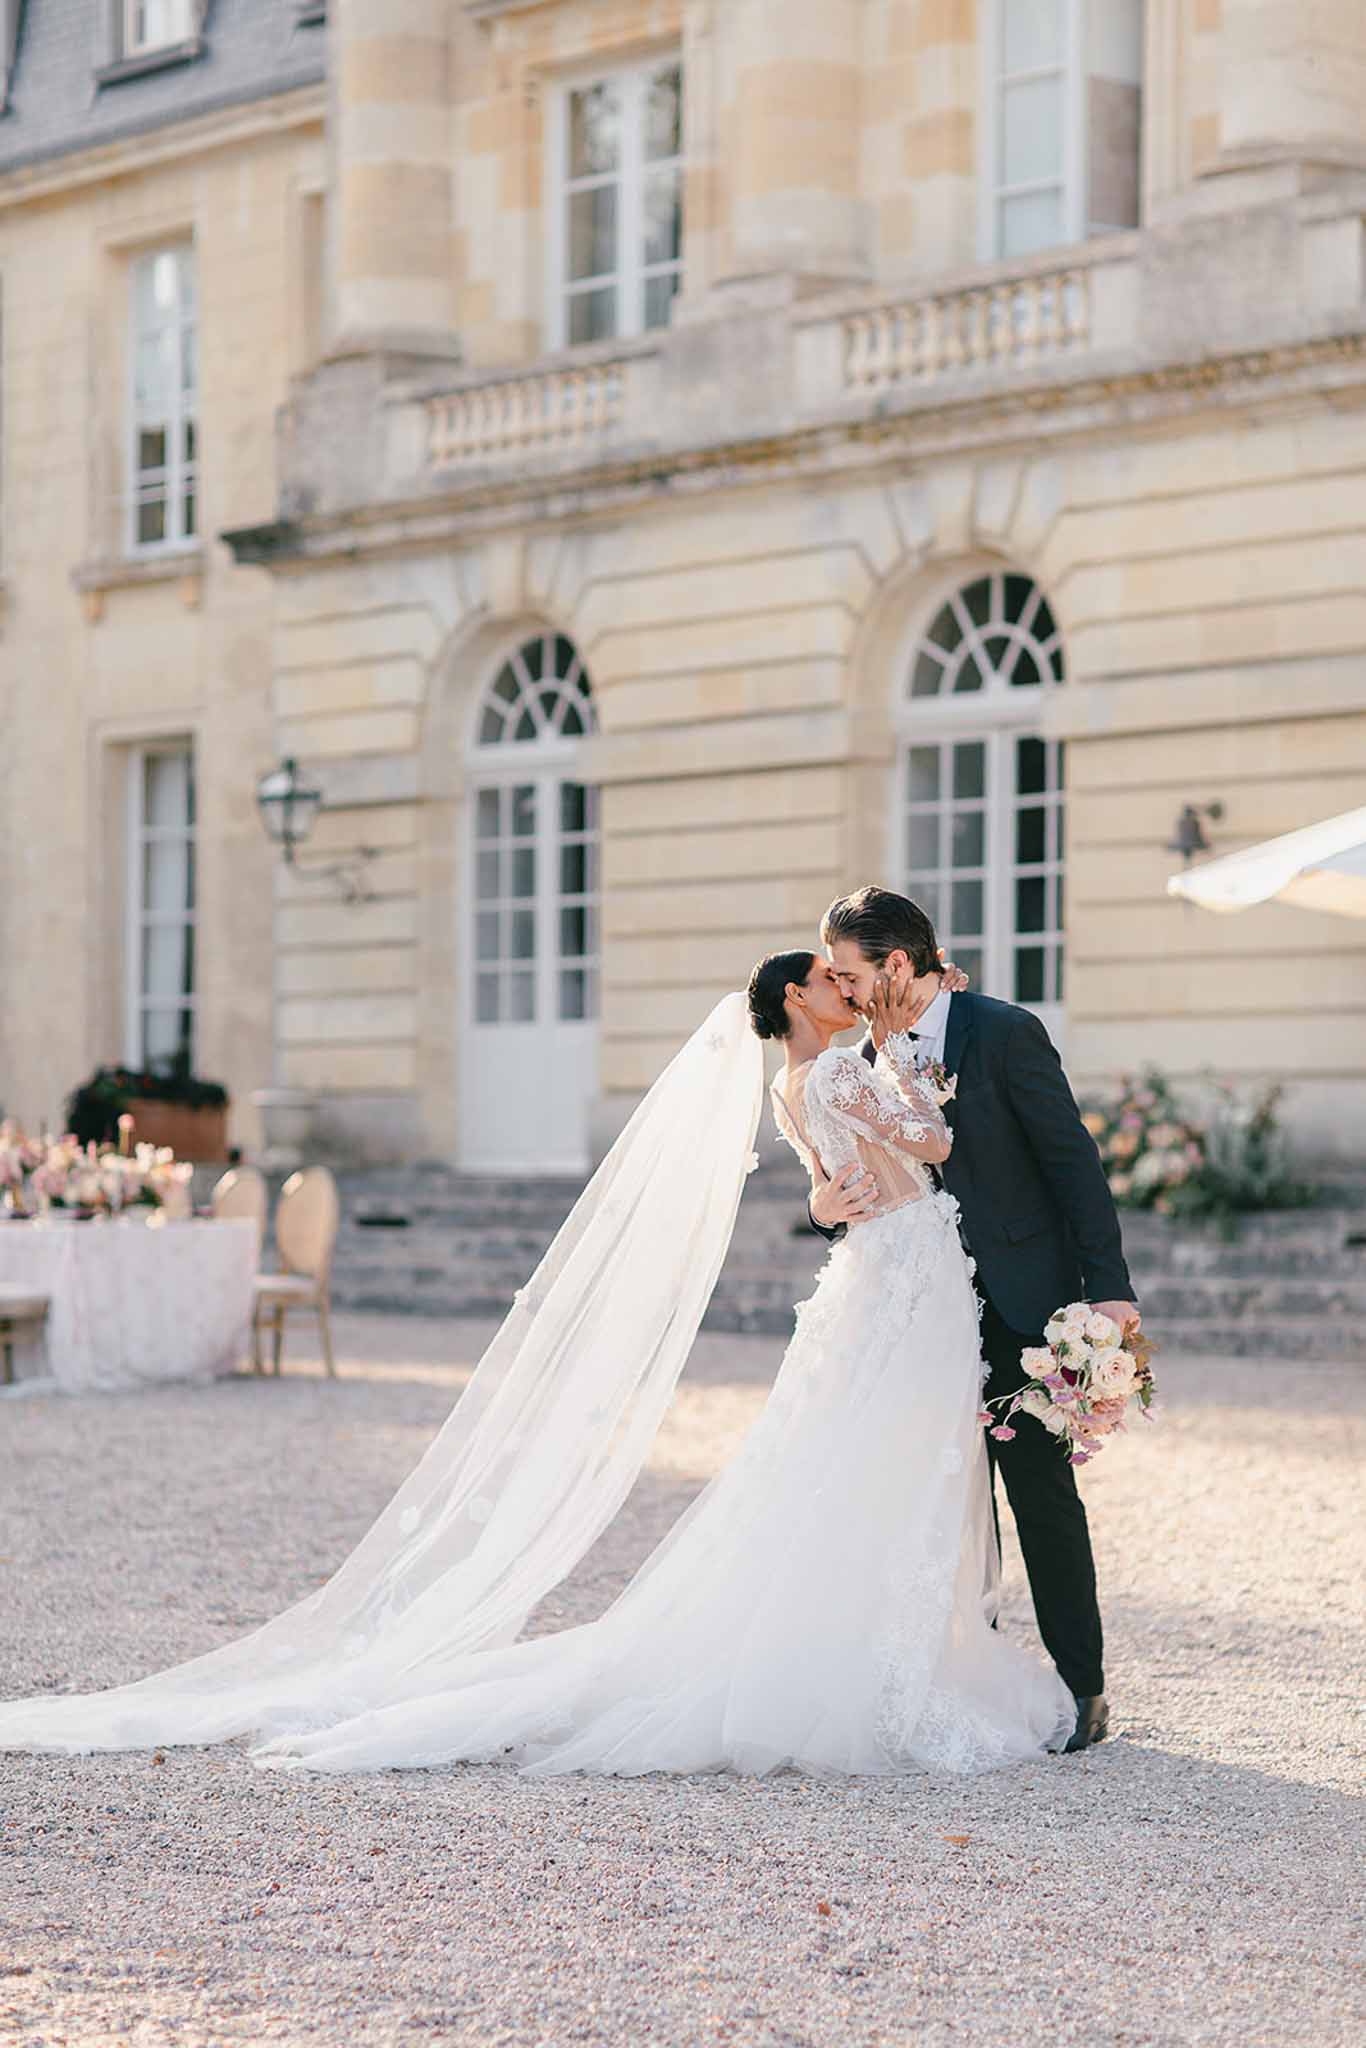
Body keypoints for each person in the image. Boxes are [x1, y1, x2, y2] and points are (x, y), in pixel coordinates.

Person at [0, 968, 1075, 1776]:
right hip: (902, 1271)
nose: (856, 990)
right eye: (838, 979)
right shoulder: (843, 1063)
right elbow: (929, 1144)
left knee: (844, 1466)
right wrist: (912, 1065)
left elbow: (836, 1187)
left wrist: (847, 1179)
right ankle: (887, 1659)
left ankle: (871, 1642)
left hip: (877, 1275)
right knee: (885, 1465)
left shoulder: (791, 1085)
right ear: (800, 992)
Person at [809, 886, 1138, 1753]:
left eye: (852, 975)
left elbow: (1075, 1165)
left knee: (1039, 1493)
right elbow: (855, 1171)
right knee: (945, 1498)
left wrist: (1108, 1290)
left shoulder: (1002, 1031)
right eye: (834, 979)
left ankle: (1084, 1690)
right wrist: (825, 1207)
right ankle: (977, 1683)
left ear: (900, 965)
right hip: (918, 1307)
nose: (842, 992)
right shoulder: (863, 1053)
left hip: (1021, 1300)